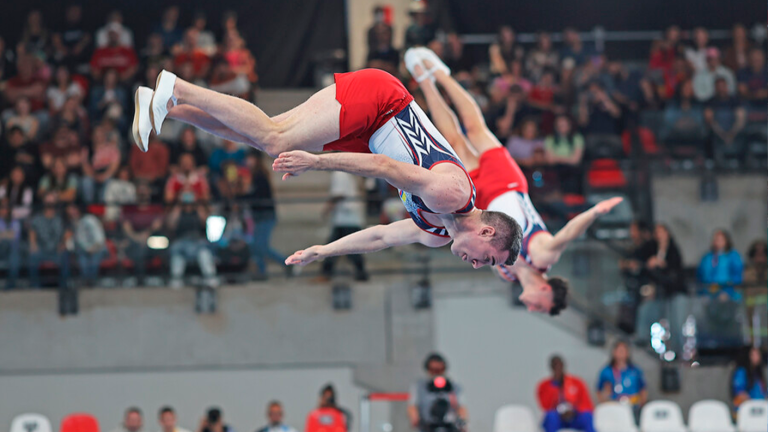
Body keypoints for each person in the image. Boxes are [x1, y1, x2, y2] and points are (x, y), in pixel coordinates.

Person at [133, 68, 523, 269]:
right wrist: (317, 163)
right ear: (487, 231)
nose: (475, 265)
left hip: (369, 132)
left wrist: (324, 250)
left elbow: (380, 238)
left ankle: (167, 107)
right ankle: (177, 86)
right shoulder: (451, 195)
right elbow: (384, 166)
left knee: (259, 135)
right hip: (383, 103)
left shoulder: (438, 232)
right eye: (486, 258)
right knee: (275, 138)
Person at [406, 47, 623, 315]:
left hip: (483, 201)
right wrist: (595, 212)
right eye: (541, 307)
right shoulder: (542, 257)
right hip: (507, 183)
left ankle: (425, 82)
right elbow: (567, 235)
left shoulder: (505, 275)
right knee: (475, 129)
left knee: (454, 145)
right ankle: (441, 73)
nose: (533, 309)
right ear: (547, 290)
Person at [317, 172, 368, 282]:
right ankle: (361, 274)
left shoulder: (339, 173)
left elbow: (338, 194)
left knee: (336, 247)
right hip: (349, 217)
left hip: (346, 218)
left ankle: (326, 274)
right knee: (348, 248)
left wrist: (327, 209)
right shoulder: (348, 173)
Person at [166, 193, 217, 289]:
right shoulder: (178, 211)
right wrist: (178, 206)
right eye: (185, 204)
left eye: (190, 203)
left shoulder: (197, 211)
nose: (188, 206)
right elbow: (171, 225)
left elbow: (206, 221)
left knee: (204, 253)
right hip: (181, 242)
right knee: (177, 255)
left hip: (196, 241)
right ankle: (176, 282)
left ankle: (211, 280)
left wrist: (198, 207)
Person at [408, 353, 466, 432]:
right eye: (433, 370)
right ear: (428, 369)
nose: (437, 373)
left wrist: (462, 422)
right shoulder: (419, 386)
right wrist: (415, 419)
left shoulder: (453, 387)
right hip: (427, 427)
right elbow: (412, 406)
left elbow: (461, 407)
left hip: (450, 427)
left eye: (440, 369)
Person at [537, 355, 595, 432]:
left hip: (574, 416)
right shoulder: (544, 386)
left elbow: (587, 404)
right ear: (551, 368)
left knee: (587, 416)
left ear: (563, 365)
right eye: (555, 366)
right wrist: (554, 385)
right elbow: (546, 406)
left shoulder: (577, 382)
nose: (558, 368)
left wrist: (574, 411)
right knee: (550, 417)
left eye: (559, 365)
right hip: (558, 417)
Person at [28, 193, 70, 289]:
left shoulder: (61, 218)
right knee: (33, 256)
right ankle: (35, 287)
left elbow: (68, 232)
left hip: (56, 250)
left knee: (65, 255)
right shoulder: (37, 218)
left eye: (52, 202)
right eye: (48, 202)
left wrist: (63, 243)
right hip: (42, 249)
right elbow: (32, 231)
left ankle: (64, 286)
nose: (50, 205)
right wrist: (33, 245)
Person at [596, 341, 647, 418]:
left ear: (628, 353)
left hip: (634, 406)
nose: (621, 353)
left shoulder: (635, 370)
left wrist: (641, 404)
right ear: (614, 352)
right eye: (619, 351)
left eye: (623, 351)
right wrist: (605, 402)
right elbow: (599, 390)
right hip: (614, 406)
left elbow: (643, 389)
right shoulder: (606, 371)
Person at [67, 204, 107, 287]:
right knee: (82, 259)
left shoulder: (90, 219)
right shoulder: (71, 224)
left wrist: (94, 248)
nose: (73, 212)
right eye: (70, 210)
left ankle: (92, 282)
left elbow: (99, 238)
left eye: (74, 209)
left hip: (97, 247)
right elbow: (75, 242)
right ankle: (87, 283)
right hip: (83, 250)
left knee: (94, 259)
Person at [697, 229, 744, 300]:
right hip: (708, 294)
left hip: (728, 295)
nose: (717, 242)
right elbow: (700, 275)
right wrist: (702, 292)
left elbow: (737, 276)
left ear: (726, 241)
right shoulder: (707, 257)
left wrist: (728, 292)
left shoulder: (733, 256)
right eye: (715, 239)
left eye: (720, 239)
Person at [543, 115, 584, 194]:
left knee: (574, 173)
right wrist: (568, 159)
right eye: (559, 125)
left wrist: (557, 158)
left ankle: (573, 199)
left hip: (571, 170)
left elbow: (576, 160)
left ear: (569, 125)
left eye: (564, 125)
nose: (561, 127)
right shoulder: (550, 139)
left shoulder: (577, 138)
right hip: (555, 169)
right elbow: (549, 160)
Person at [646, 224, 686, 297]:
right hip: (658, 289)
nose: (659, 235)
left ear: (667, 233)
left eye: (661, 232)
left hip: (674, 288)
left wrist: (659, 262)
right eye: (657, 232)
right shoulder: (651, 249)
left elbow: (674, 267)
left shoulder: (673, 250)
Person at [732, 346, 767, 411]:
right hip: (746, 410)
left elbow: (763, 393)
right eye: (753, 354)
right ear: (747, 356)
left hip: (761, 410)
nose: (757, 357)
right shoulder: (741, 372)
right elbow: (740, 394)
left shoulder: (758, 374)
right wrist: (753, 406)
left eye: (758, 354)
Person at [0, 199, 22, 290]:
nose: (5, 210)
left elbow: (15, 236)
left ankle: (11, 284)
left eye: (6, 208)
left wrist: (3, 234)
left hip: (11, 250)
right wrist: (7, 234)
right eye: (2, 208)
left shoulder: (15, 221)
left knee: (14, 254)